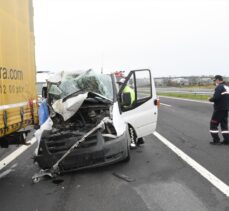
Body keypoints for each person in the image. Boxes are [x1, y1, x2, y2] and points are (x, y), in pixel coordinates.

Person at [209, 75, 229, 145]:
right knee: (224, 125)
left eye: (215, 80)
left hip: (219, 109)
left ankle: (216, 140)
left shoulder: (219, 87)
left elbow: (216, 97)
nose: (214, 82)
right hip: (226, 109)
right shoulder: (226, 87)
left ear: (218, 80)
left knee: (213, 124)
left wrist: (210, 99)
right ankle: (227, 140)